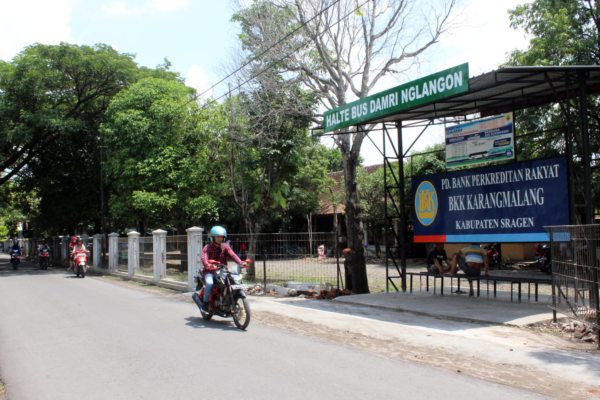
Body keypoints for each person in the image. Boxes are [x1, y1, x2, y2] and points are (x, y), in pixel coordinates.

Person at [199, 226, 247, 312]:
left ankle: (227, 301)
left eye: (221, 237)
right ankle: (205, 304)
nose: (219, 239)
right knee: (209, 283)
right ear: (213, 237)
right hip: (210, 271)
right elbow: (203, 258)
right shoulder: (207, 247)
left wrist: (241, 262)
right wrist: (208, 265)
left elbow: (233, 255)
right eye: (217, 237)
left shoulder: (225, 247)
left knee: (232, 282)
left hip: (223, 270)